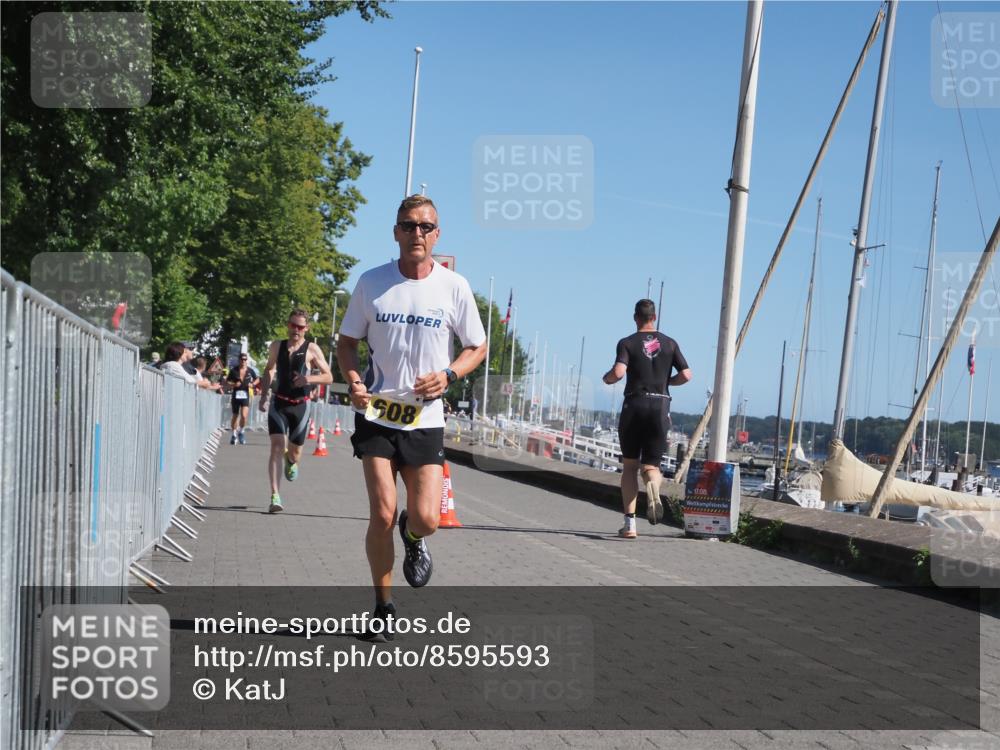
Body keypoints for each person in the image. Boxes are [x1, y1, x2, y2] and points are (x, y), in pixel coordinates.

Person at [338, 195, 487, 639]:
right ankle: (382, 607)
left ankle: (414, 536)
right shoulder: (371, 283)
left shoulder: (454, 287)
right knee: (381, 513)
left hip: (425, 420)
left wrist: (448, 374)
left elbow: (477, 347)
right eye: (408, 225)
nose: (416, 233)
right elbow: (347, 342)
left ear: (437, 235)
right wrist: (353, 379)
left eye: (425, 227)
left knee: (426, 518)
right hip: (378, 414)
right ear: (396, 232)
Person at [602, 299, 691, 539]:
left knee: (630, 467)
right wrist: (667, 382)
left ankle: (630, 525)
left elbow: (619, 372)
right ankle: (653, 485)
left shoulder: (627, 343)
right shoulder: (670, 343)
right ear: (655, 316)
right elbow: (686, 374)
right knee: (652, 466)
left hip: (635, 404)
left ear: (635, 318)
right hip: (660, 405)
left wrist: (608, 379)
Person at [258, 310, 333, 513]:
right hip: (279, 403)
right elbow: (269, 369)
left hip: (301, 405)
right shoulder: (277, 346)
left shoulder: (312, 349)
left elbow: (329, 377)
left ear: (306, 329)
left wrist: (307, 379)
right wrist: (264, 395)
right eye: (293, 325)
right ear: (288, 325)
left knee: (295, 452)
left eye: (300, 327)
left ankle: (290, 461)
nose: (296, 331)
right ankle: (275, 496)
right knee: (276, 446)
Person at [226, 353, 259, 445]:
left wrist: (252, 384)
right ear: (239, 360)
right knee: (235, 415)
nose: (244, 361)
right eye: (242, 359)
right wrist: (233, 384)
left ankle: (241, 431)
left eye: (245, 359)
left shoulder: (250, 370)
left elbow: (257, 379)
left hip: (245, 395)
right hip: (236, 395)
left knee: (244, 416)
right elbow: (227, 381)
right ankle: (233, 434)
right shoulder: (234, 370)